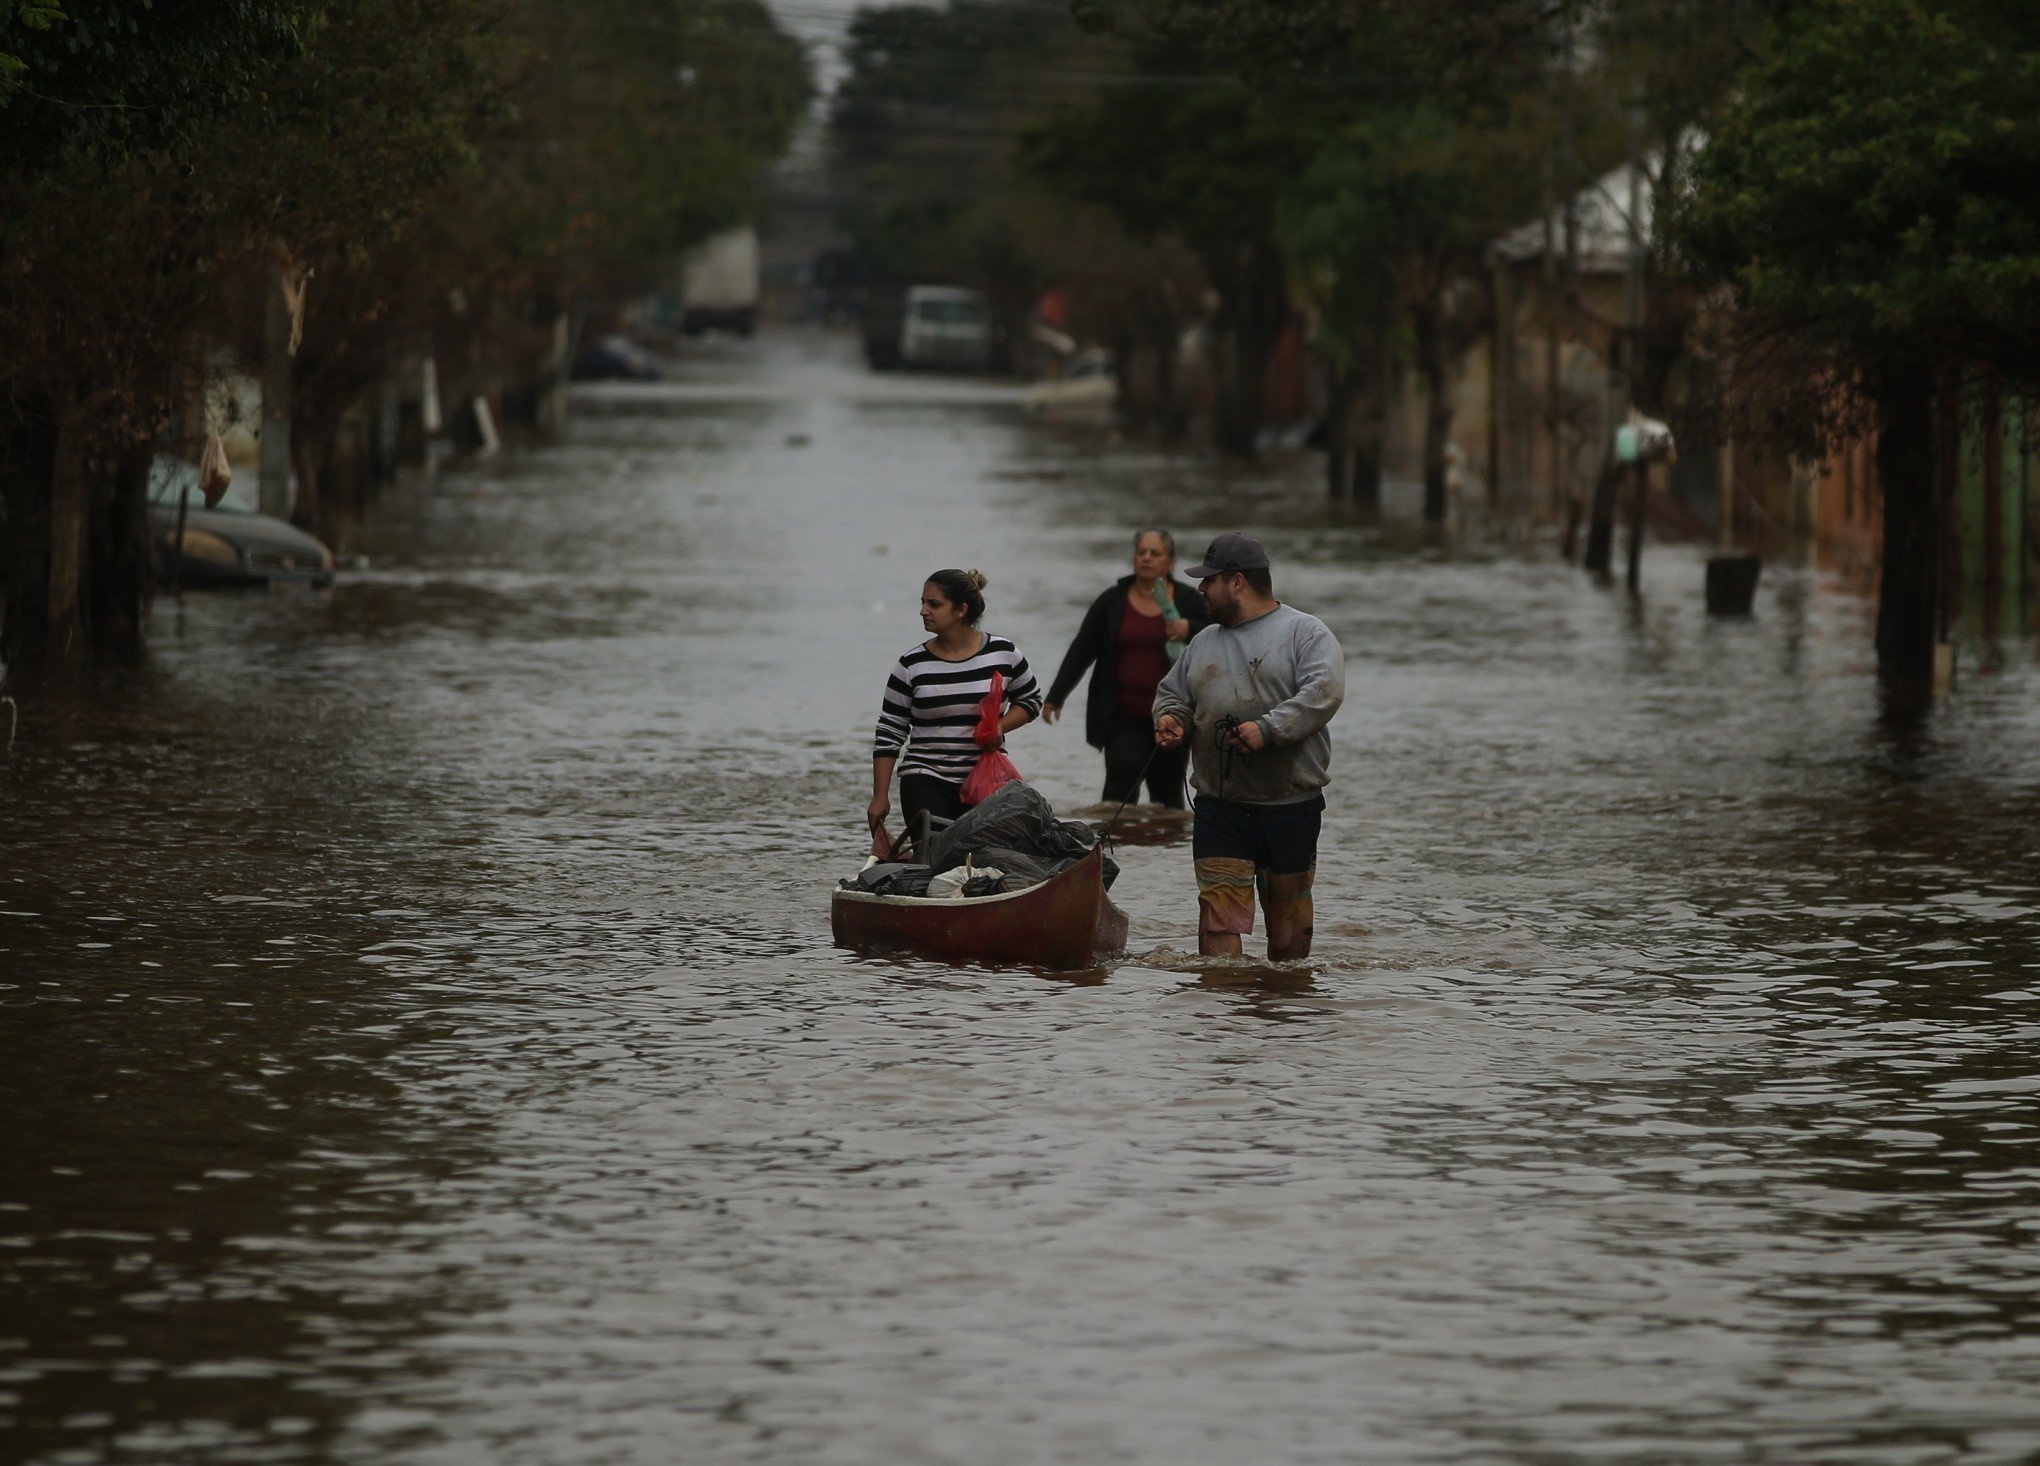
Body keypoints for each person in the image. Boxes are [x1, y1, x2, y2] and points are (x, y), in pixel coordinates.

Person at [1153, 532, 1345, 961]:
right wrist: (1171, 721)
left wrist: (1268, 730)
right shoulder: (1202, 642)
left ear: (1236, 582)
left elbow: (1324, 693)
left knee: (1288, 931)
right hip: (1220, 806)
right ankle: (1221, 1018)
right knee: (1218, 921)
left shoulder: (1305, 633)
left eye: (1209, 580)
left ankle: (1282, 1017)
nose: (1200, 588)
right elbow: (1173, 695)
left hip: (1291, 803)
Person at [870, 568, 1044, 846]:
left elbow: (1031, 700)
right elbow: (890, 732)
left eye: (934, 604)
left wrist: (1000, 726)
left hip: (985, 781)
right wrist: (880, 797)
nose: (923, 611)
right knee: (938, 860)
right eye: (923, 602)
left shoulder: (1003, 653)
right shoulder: (911, 665)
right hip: (924, 779)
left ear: (961, 610)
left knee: (985, 864)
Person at [1041, 530, 1209, 807]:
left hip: (1174, 714)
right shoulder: (1112, 601)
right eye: (1141, 552)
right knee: (1117, 795)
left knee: (1167, 798)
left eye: (1155, 553)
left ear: (1170, 562)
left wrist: (1189, 628)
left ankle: (1164, 850)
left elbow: (1221, 635)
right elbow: (1082, 649)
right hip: (1122, 715)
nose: (1146, 558)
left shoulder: (1190, 601)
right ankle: (1119, 849)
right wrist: (1055, 697)